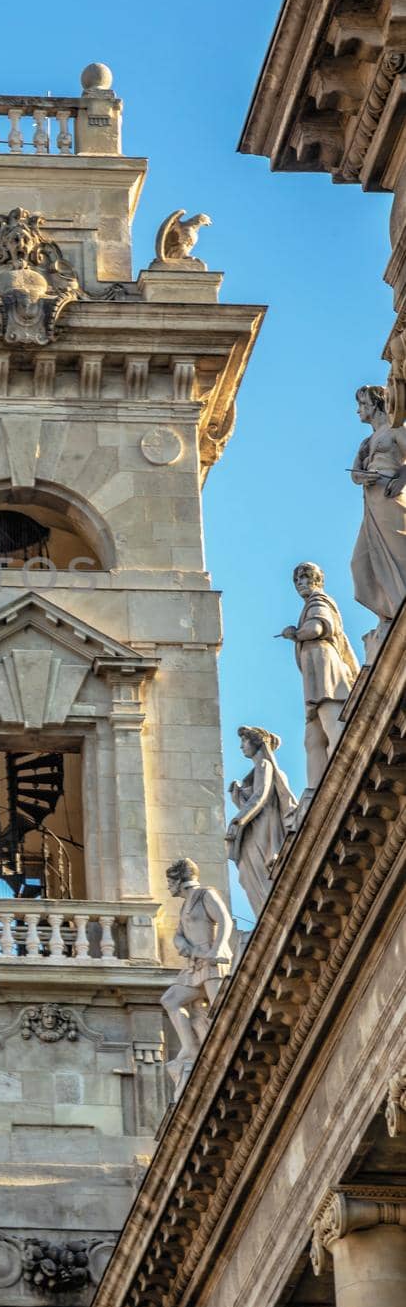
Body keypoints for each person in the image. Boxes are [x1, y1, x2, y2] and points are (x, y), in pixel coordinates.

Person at [279, 563, 359, 789]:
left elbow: (317, 628)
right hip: (315, 671)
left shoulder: (319, 600)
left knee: (330, 718)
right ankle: (316, 790)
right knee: (312, 738)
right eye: (297, 580)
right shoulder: (311, 603)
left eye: (305, 578)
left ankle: (346, 771)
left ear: (317, 580)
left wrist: (294, 633)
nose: (300, 584)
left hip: (325, 668)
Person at [160, 857, 233, 1095]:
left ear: (180, 880)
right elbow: (179, 934)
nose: (168, 886)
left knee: (219, 1009)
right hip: (195, 964)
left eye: (170, 881)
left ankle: (227, 1050)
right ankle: (191, 1048)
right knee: (170, 999)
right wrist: (183, 945)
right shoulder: (185, 905)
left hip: (212, 962)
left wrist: (218, 949)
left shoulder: (205, 894)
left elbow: (224, 921)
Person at [349, 383, 406, 643]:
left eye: (362, 404)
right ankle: (390, 612)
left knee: (399, 553)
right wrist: (362, 477)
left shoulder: (395, 429)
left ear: (376, 404)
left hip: (390, 496)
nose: (359, 410)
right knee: (360, 563)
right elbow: (355, 474)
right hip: (371, 499)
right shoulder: (366, 442)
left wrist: (401, 479)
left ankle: (400, 607)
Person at [226, 726, 298, 915]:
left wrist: (239, 820)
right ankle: (265, 909)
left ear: (255, 743)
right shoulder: (255, 770)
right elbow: (252, 799)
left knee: (259, 865)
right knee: (247, 870)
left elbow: (261, 795)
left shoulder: (264, 765)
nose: (241, 746)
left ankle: (271, 905)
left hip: (265, 823)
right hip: (256, 824)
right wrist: (239, 795)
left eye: (244, 741)